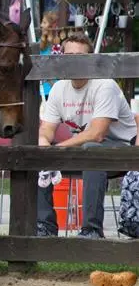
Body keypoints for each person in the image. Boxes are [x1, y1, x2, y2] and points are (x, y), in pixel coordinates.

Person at [36, 33, 137, 239]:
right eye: (69, 55)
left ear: (91, 59)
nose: (75, 61)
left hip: (124, 149)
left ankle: (91, 230)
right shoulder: (57, 89)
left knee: (91, 151)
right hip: (82, 148)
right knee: (37, 156)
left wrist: (59, 148)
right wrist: (45, 148)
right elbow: (46, 130)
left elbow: (97, 133)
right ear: (62, 59)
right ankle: (44, 227)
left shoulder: (104, 85)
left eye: (80, 56)